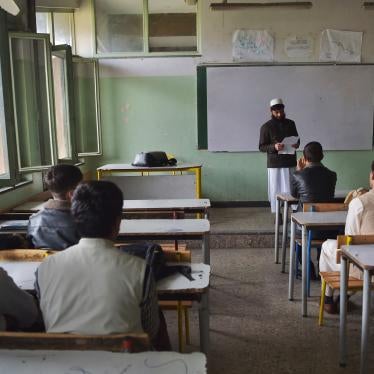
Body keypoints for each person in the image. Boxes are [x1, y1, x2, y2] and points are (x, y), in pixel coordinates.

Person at [36, 180, 170, 350]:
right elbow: (150, 332)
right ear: (117, 223)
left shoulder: (45, 268)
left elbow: (46, 318)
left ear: (75, 218)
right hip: (124, 365)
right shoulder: (139, 269)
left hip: (62, 362)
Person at [319, 160, 374, 313]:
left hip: (366, 270)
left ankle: (329, 298)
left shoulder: (359, 203)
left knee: (328, 246)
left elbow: (349, 241)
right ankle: (345, 295)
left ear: (372, 176)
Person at [27, 164, 82, 250]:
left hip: (43, 262)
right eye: (81, 188)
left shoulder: (34, 219)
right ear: (71, 194)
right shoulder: (84, 221)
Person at [259, 98, 300, 214]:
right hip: (275, 164)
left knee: (291, 189)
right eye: (276, 112)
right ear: (271, 111)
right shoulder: (266, 127)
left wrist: (296, 144)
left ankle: (294, 213)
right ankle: (278, 214)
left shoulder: (291, 123)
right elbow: (262, 147)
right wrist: (274, 147)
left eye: (281, 111)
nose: (279, 114)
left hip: (290, 161)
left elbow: (298, 139)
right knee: (275, 190)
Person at [290, 141, 337, 206]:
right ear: (322, 156)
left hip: (304, 214)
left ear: (305, 158)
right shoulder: (332, 175)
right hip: (327, 213)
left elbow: (295, 195)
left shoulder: (297, 175)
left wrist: (299, 171)